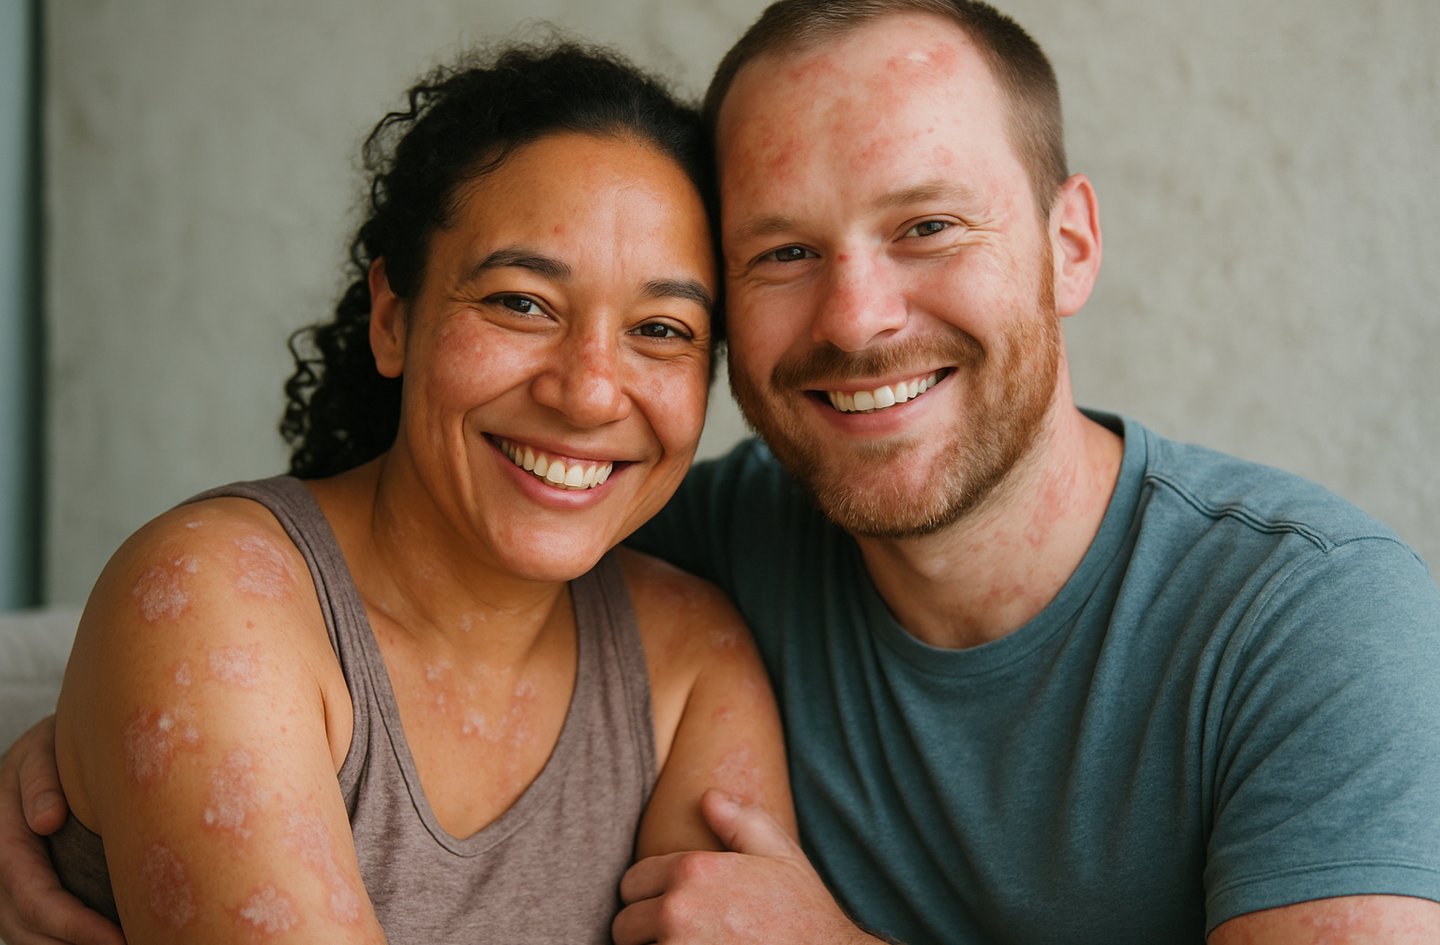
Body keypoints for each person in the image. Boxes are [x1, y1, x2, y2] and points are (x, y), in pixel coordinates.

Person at [6, 1, 1440, 943]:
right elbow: (339, 592)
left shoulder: (1319, 626)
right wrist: (96, 741)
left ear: (1071, 243)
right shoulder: (688, 539)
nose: (859, 317)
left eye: (929, 225)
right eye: (782, 255)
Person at [0, 40, 793, 945]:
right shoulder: (214, 599)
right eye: (521, 303)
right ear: (393, 317)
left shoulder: (692, 662)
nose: (587, 391)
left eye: (661, 328)